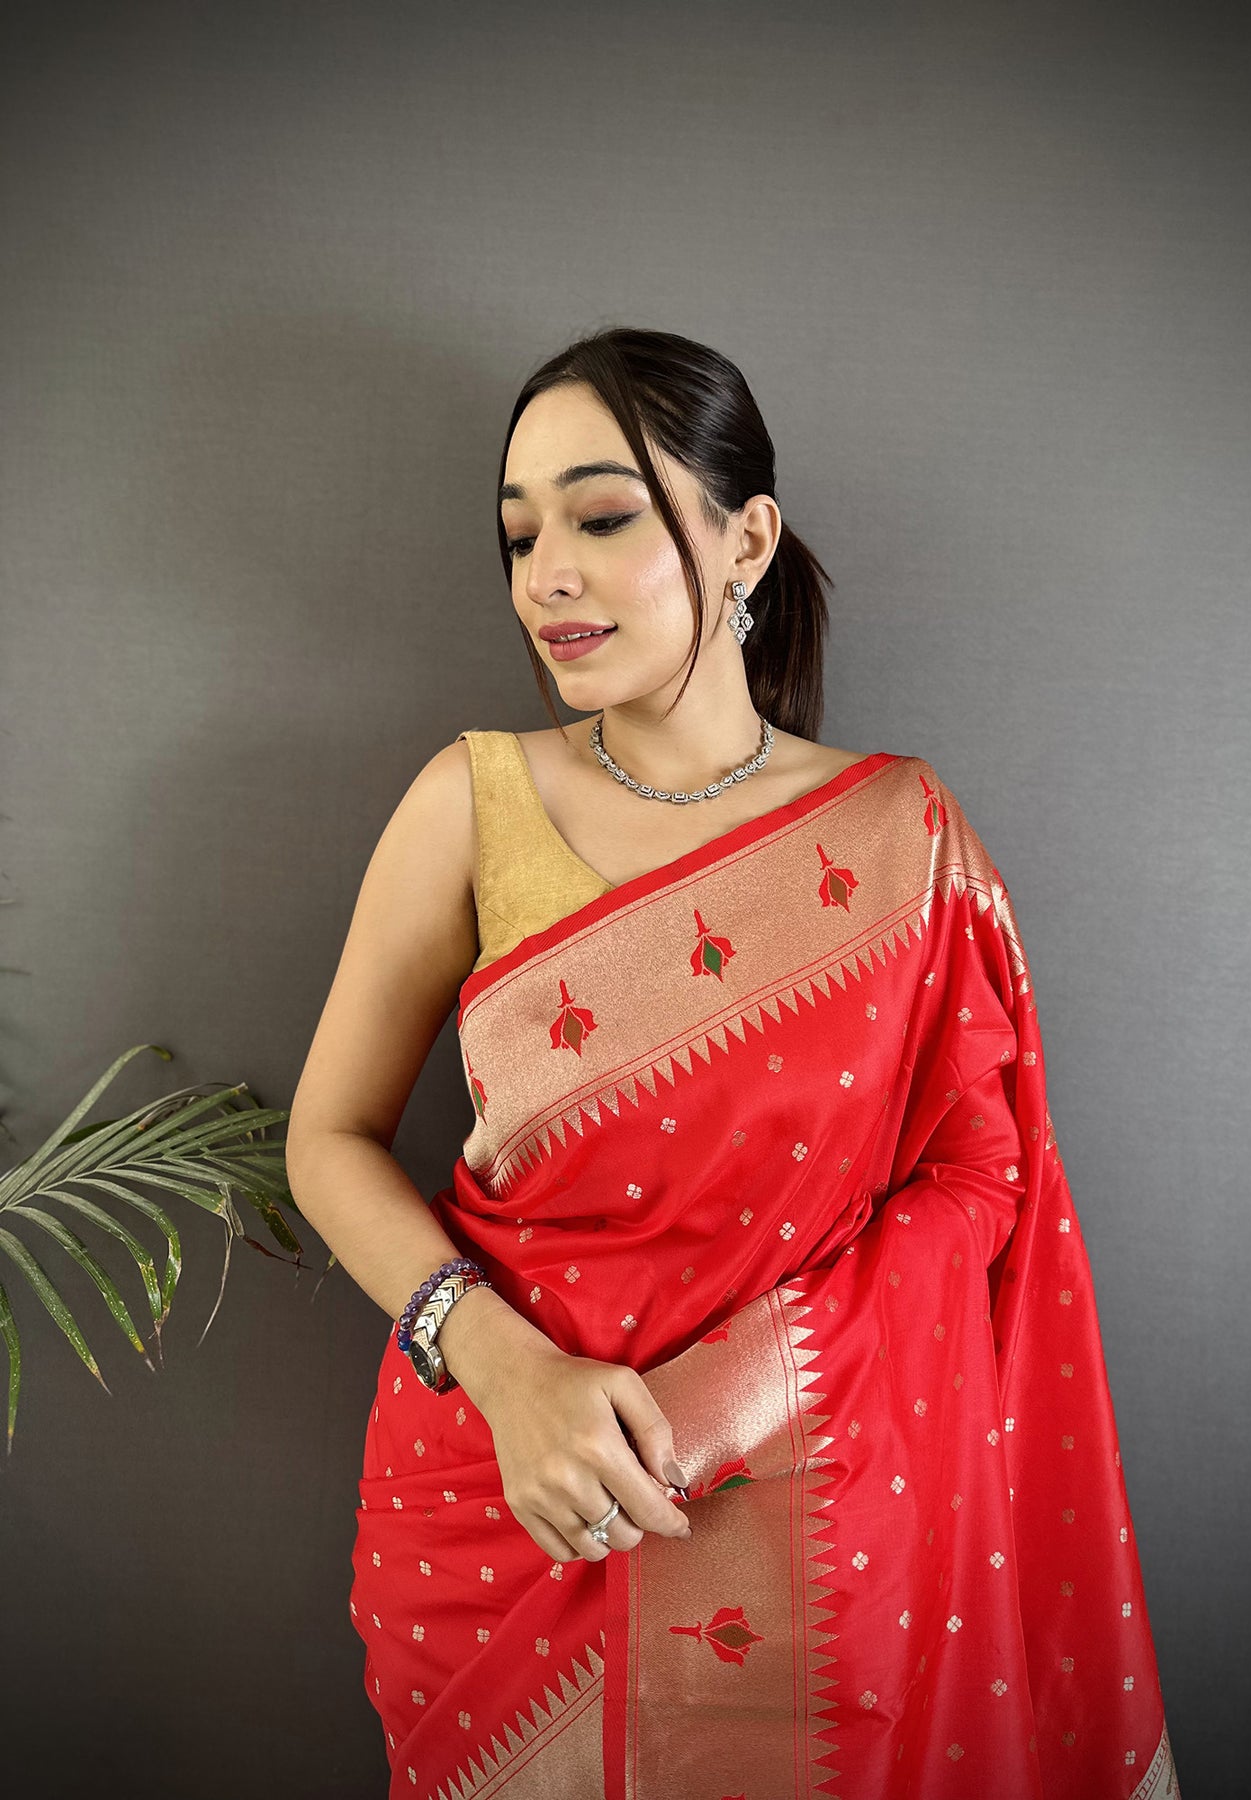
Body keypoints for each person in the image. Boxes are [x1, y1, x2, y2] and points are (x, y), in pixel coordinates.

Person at [286, 327, 1180, 1799]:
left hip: (813, 1503)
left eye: (601, 517)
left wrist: (742, 1390)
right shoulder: (470, 802)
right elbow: (325, 1139)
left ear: (746, 539)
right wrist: (506, 1371)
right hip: (511, 1501)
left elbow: (983, 1176)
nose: (545, 575)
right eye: (518, 536)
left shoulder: (898, 837)